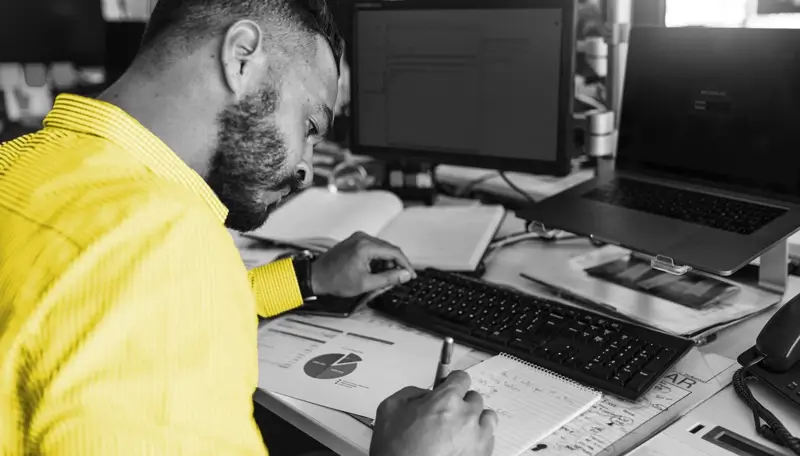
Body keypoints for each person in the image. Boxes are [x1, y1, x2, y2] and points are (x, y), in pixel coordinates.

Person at [0, 0, 498, 455]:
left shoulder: (24, 162)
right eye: (309, 126)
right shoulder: (159, 249)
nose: (306, 168)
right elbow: (147, 290)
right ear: (241, 57)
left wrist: (308, 279)